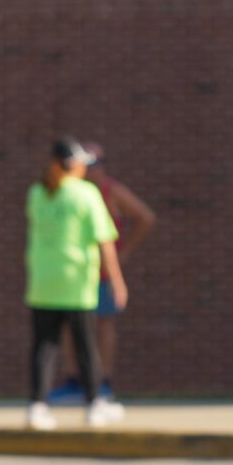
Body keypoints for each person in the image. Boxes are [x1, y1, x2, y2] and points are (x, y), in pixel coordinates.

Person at [26, 138, 127, 430]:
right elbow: (105, 241)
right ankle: (95, 402)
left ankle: (37, 405)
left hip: (43, 281)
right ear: (73, 165)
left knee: (44, 346)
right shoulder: (86, 194)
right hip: (77, 280)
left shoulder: (37, 193)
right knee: (85, 344)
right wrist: (118, 282)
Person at [78, 143, 154, 403]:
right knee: (72, 326)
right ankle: (74, 379)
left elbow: (145, 217)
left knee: (104, 323)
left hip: (103, 272)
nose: (88, 171)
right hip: (77, 271)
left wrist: (125, 252)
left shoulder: (111, 191)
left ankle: (104, 380)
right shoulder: (74, 192)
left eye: (93, 166)